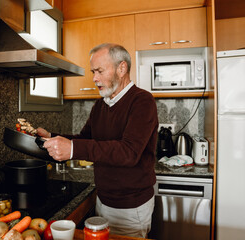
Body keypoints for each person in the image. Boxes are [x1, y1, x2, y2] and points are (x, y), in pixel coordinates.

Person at [36, 43, 158, 238]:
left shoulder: (142, 101)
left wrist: (73, 148)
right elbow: (84, 139)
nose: (94, 78)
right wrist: (52, 137)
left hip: (131, 207)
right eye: (93, 72)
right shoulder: (100, 105)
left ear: (122, 68)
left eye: (100, 71)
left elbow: (129, 152)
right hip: (103, 200)